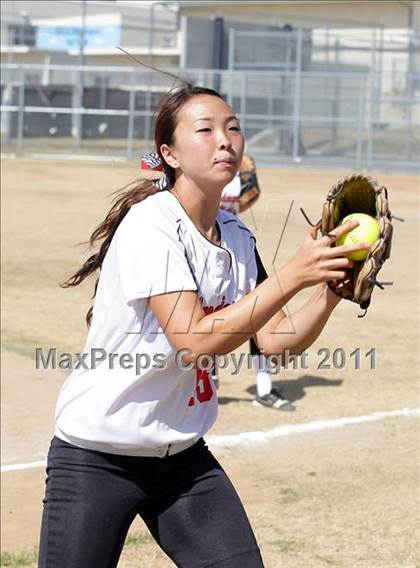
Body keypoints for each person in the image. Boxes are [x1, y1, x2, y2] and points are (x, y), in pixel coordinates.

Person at [38, 83, 368, 568]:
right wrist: (293, 273)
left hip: (182, 460)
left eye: (233, 127)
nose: (226, 140)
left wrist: (329, 290)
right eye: (206, 129)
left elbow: (276, 342)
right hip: (97, 456)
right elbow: (193, 342)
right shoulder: (151, 225)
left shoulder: (235, 234)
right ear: (168, 153)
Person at [140, 151, 294, 410]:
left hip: (230, 252)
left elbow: (248, 196)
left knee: (254, 318)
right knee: (207, 325)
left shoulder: (223, 179)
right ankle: (213, 377)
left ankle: (259, 386)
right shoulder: (199, 185)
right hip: (201, 257)